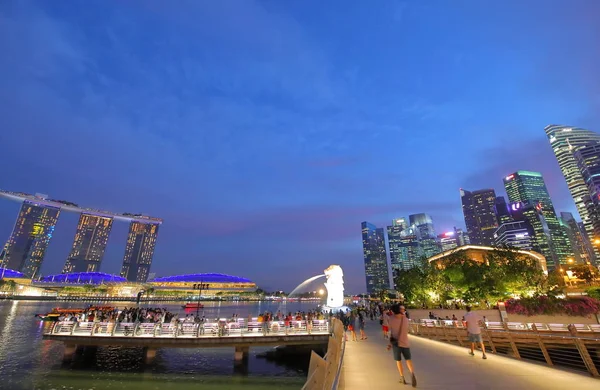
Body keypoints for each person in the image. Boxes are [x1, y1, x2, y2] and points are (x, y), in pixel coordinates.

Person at [387, 304, 417, 387]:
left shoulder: (391, 319)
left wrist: (389, 344)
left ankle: (402, 377)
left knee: (398, 360)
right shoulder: (406, 319)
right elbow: (407, 330)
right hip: (405, 342)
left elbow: (391, 332)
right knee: (408, 360)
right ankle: (412, 373)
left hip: (396, 344)